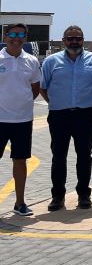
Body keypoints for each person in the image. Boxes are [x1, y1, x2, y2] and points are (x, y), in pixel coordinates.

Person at [40, 25, 92, 211]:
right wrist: (56, 103)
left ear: (83, 40)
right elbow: (43, 87)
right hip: (58, 115)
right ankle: (57, 196)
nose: (74, 41)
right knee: (58, 156)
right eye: (70, 38)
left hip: (85, 115)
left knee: (85, 156)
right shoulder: (51, 62)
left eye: (78, 38)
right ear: (64, 40)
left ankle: (84, 195)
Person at [0, 23, 41, 215]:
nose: (17, 38)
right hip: (0, 120)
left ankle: (20, 203)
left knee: (20, 161)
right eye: (13, 34)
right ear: (5, 36)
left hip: (23, 120)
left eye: (21, 35)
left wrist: (22, 103)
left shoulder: (31, 61)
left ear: (25, 38)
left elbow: (34, 89)